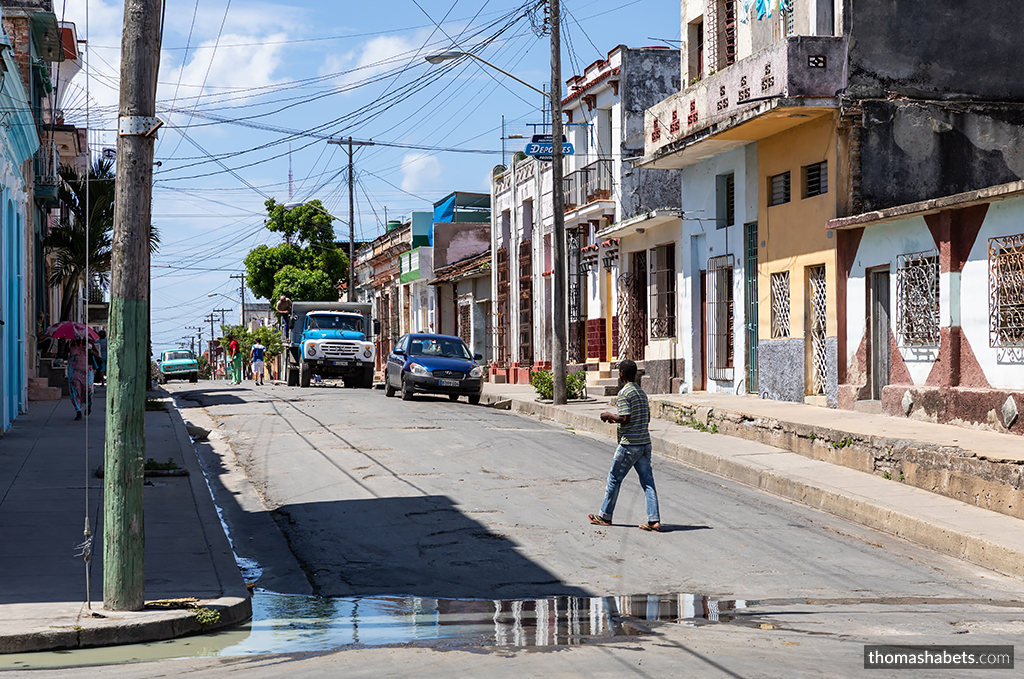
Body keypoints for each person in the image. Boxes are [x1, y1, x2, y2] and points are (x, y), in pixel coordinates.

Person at [589, 359, 662, 532]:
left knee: (614, 479)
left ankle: (605, 516)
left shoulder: (624, 393)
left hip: (629, 445)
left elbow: (626, 418)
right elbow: (644, 419)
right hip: (644, 443)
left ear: (621, 373)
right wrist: (616, 420)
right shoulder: (641, 392)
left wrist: (609, 415)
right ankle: (654, 520)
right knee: (648, 483)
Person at [67, 338, 95, 421]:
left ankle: (89, 404)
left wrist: (91, 352)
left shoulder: (89, 342)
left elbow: (98, 355)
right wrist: (68, 351)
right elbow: (63, 355)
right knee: (76, 390)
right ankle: (78, 411)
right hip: (75, 371)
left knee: (89, 390)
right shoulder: (71, 343)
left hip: (87, 370)